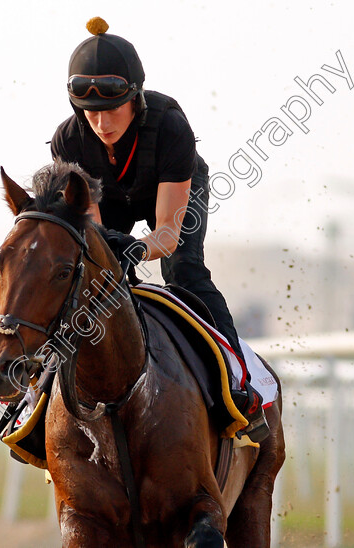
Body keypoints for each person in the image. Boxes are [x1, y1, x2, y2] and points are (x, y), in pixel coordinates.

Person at [50, 17, 268, 441]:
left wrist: (137, 248)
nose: (101, 123)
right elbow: (96, 235)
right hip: (108, 199)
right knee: (100, 283)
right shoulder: (68, 141)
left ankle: (241, 384)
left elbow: (167, 234)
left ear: (135, 100)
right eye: (91, 113)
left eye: (112, 109)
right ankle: (38, 399)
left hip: (170, 193)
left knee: (184, 273)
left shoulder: (170, 128)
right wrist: (115, 254)